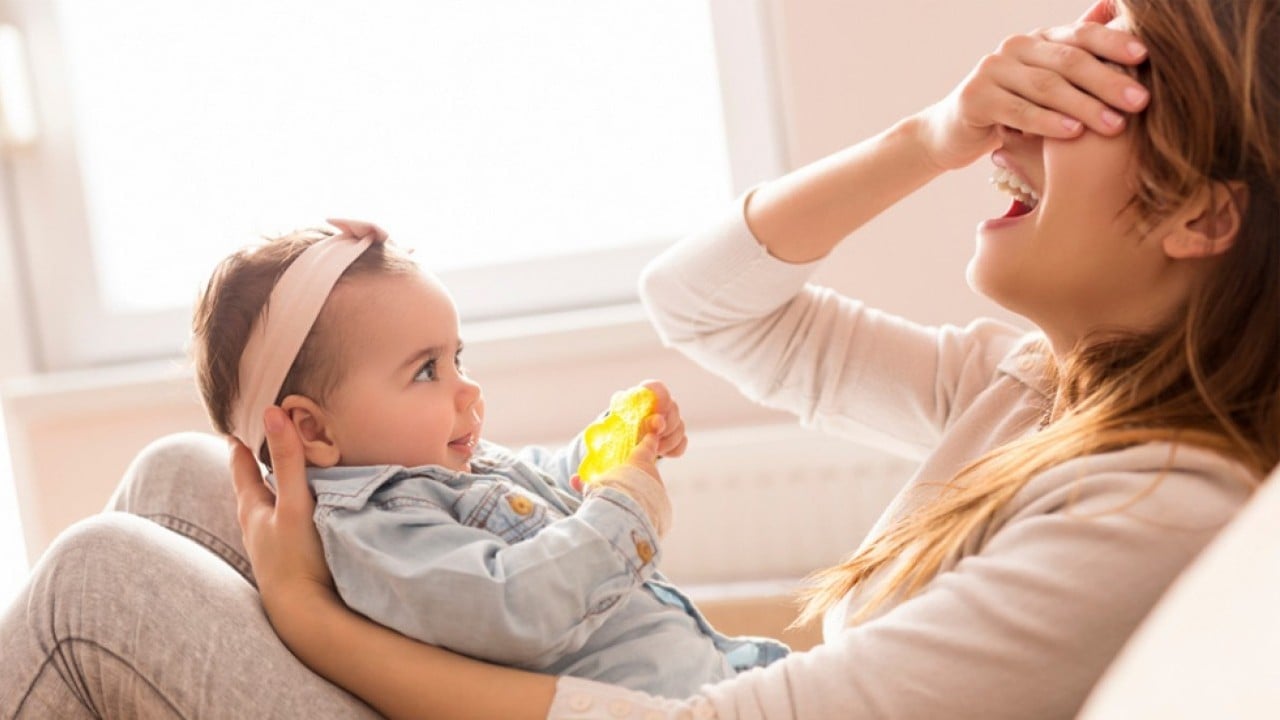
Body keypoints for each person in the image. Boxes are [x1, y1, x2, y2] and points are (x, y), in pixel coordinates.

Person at [1, 0, 1277, 717]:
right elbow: (706, 302)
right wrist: (929, 133)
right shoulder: (1025, 394)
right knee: (187, 476)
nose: (1018, 123)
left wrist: (307, 621)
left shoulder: (1157, 504)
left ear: (1201, 214)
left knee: (101, 582)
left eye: (1080, 98)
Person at [186, 218, 786, 697]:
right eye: (426, 370)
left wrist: (614, 444)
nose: (467, 388)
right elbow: (515, 605)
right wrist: (624, 509)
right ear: (313, 430)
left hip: (708, 672)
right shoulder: (379, 530)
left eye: (458, 359)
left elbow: (548, 487)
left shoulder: (442, 466)